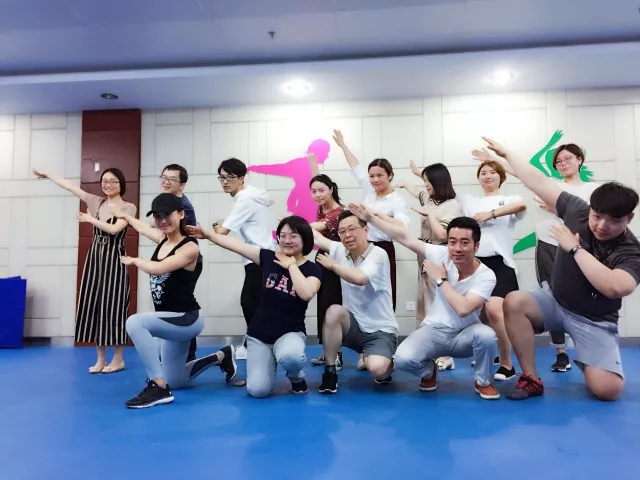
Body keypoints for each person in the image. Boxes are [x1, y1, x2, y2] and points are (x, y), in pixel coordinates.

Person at [482, 136, 640, 401]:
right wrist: (507, 154)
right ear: (591, 209)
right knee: (515, 301)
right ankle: (531, 378)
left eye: (614, 221)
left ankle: (592, 360)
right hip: (557, 302)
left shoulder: (630, 250)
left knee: (608, 391)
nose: (602, 226)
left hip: (594, 321)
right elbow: (538, 181)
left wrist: (575, 249)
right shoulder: (578, 210)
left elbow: (615, 286)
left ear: (629, 218)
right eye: (597, 216)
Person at [473, 144, 600, 372]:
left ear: (579, 160)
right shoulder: (550, 186)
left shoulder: (592, 189)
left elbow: (593, 218)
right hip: (548, 246)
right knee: (553, 296)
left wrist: (558, 211)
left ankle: (589, 352)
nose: (562, 164)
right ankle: (561, 353)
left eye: (567, 159)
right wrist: (493, 159)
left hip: (580, 247)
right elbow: (520, 172)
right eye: (558, 161)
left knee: (584, 298)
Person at [353, 204, 500, 399]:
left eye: (464, 243)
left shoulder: (486, 275)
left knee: (487, 336)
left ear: (476, 246)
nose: (457, 248)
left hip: (465, 335)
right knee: (402, 359)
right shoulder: (442, 255)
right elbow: (405, 238)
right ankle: (429, 372)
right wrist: (371, 219)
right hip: (435, 331)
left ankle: (483, 381)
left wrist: (441, 280)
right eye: (452, 242)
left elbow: (463, 309)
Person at [116, 193, 236, 408]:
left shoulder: (190, 247)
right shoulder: (163, 240)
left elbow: (158, 268)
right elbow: (142, 228)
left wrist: (135, 260)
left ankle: (158, 387)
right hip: (170, 321)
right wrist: (125, 217)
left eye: (167, 215)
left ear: (181, 214)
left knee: (135, 322)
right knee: (177, 380)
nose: (162, 221)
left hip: (186, 319)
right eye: (157, 216)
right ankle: (221, 356)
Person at [187, 216, 322, 398]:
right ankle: (268, 361)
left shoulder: (312, 269)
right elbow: (237, 245)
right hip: (259, 336)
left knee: (291, 357)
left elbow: (306, 293)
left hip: (290, 333)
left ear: (305, 239)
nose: (287, 240)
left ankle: (296, 376)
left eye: (293, 236)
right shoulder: (268, 257)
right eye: (282, 236)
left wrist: (291, 265)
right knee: (257, 390)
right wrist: (208, 235)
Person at [33, 167, 135, 374]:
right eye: (104, 181)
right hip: (95, 258)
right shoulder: (96, 201)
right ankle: (100, 360)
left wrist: (90, 220)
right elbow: (70, 186)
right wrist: (48, 175)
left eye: (113, 181)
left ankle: (118, 359)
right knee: (94, 304)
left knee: (115, 306)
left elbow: (114, 229)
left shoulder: (128, 207)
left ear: (121, 184)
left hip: (115, 259)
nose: (108, 185)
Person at [331, 129, 409, 370]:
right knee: (354, 297)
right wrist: (343, 145)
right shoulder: (368, 189)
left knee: (383, 297)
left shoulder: (396, 200)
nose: (375, 180)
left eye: (380, 176)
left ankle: (382, 344)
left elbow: (402, 227)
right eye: (372, 175)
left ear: (390, 176)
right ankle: (364, 349)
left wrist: (373, 215)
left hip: (382, 248)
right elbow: (355, 166)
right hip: (359, 246)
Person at [313, 209, 399, 394]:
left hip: (379, 330)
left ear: (366, 230)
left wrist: (334, 266)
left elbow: (360, 278)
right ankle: (330, 372)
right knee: (333, 311)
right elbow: (316, 237)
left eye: (352, 229)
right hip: (354, 327)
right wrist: (295, 224)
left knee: (378, 370)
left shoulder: (378, 254)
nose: (347, 235)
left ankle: (387, 359)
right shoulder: (340, 250)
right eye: (342, 231)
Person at [457, 160, 527, 381]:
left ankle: (507, 364)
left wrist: (491, 214)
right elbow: (442, 191)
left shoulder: (510, 199)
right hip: (476, 265)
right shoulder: (470, 201)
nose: (487, 176)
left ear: (501, 177)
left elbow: (521, 206)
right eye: (483, 173)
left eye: (492, 172)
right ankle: (491, 353)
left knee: (495, 310)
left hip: (500, 264)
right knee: (481, 315)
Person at [398, 161, 462, 371]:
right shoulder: (429, 198)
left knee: (439, 304)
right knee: (425, 302)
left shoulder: (451, 205)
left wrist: (431, 215)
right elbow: (417, 192)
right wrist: (409, 180)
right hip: (424, 253)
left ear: (439, 181)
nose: (425, 185)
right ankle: (429, 349)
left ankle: (446, 354)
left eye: (429, 181)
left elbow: (442, 234)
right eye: (425, 181)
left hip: (440, 254)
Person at [214, 158, 275, 360]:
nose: (225, 182)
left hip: (258, 258)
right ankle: (255, 343)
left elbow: (221, 234)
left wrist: (215, 227)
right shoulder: (252, 195)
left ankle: (257, 345)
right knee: (256, 303)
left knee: (249, 302)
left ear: (241, 178)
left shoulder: (245, 199)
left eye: (230, 177)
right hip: (261, 257)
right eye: (221, 177)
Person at [306, 153, 346, 369]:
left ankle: (336, 354)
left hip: (335, 262)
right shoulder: (321, 206)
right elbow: (318, 180)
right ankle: (327, 351)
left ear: (331, 189)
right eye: (313, 191)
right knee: (322, 307)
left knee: (332, 307)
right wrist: (313, 165)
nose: (317, 195)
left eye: (321, 190)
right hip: (321, 260)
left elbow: (317, 227)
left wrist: (293, 224)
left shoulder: (339, 212)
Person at [158, 164, 199, 362]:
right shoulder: (169, 201)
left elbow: (180, 235)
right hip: (175, 256)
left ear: (182, 185)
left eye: (172, 179)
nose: (166, 182)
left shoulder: (183, 207)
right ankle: (176, 353)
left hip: (186, 259)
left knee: (182, 305)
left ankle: (188, 354)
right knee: (171, 303)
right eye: (164, 177)